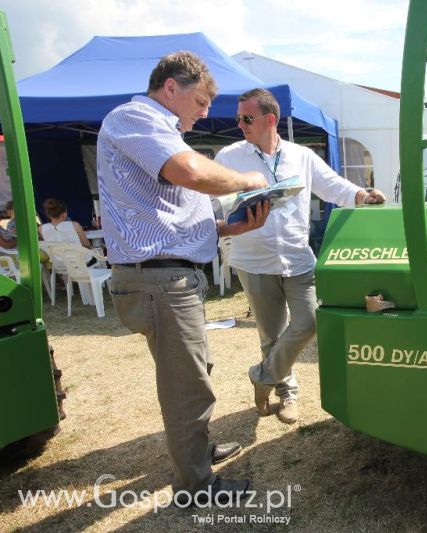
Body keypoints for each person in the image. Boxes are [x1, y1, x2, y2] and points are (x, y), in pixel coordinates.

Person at [96, 51, 270, 505]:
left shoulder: (155, 129)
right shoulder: (135, 116)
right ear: (171, 87)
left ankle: (197, 455)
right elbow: (190, 173)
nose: (206, 111)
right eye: (201, 99)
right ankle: (196, 486)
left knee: (192, 375)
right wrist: (246, 179)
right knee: (186, 385)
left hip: (171, 276)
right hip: (161, 280)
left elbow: (164, 215)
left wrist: (229, 228)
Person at [214, 88, 386, 424]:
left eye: (246, 118)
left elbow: (334, 186)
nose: (240, 125)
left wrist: (362, 196)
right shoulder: (228, 157)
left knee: (308, 321)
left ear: (270, 119)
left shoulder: (300, 155)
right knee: (271, 335)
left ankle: (262, 376)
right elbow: (213, 205)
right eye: (238, 118)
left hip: (298, 258)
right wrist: (228, 223)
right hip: (254, 261)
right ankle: (286, 393)